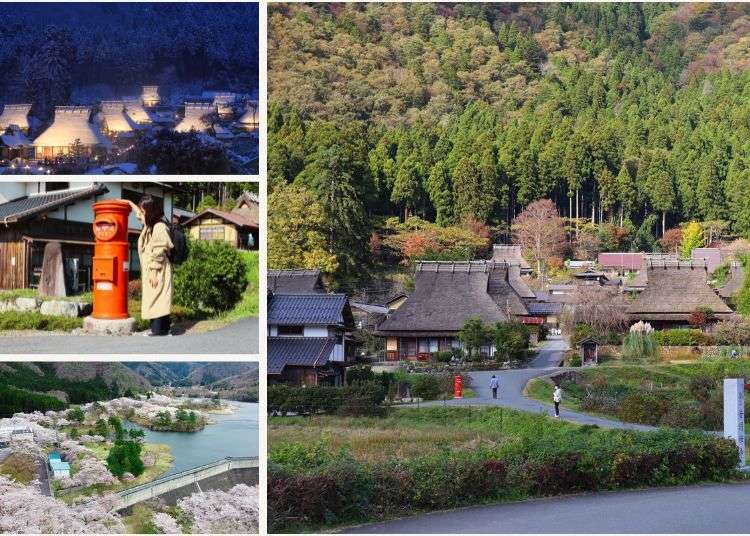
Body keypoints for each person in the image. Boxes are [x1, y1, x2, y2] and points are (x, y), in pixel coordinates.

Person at [126, 196, 174, 336]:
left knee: (157, 298)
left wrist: (153, 271)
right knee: (157, 297)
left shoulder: (159, 227)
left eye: (143, 211)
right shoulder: (149, 225)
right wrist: (129, 202)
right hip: (153, 269)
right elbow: (139, 214)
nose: (140, 214)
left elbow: (160, 249)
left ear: (150, 211)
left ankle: (159, 331)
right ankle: (162, 329)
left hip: (157, 270)